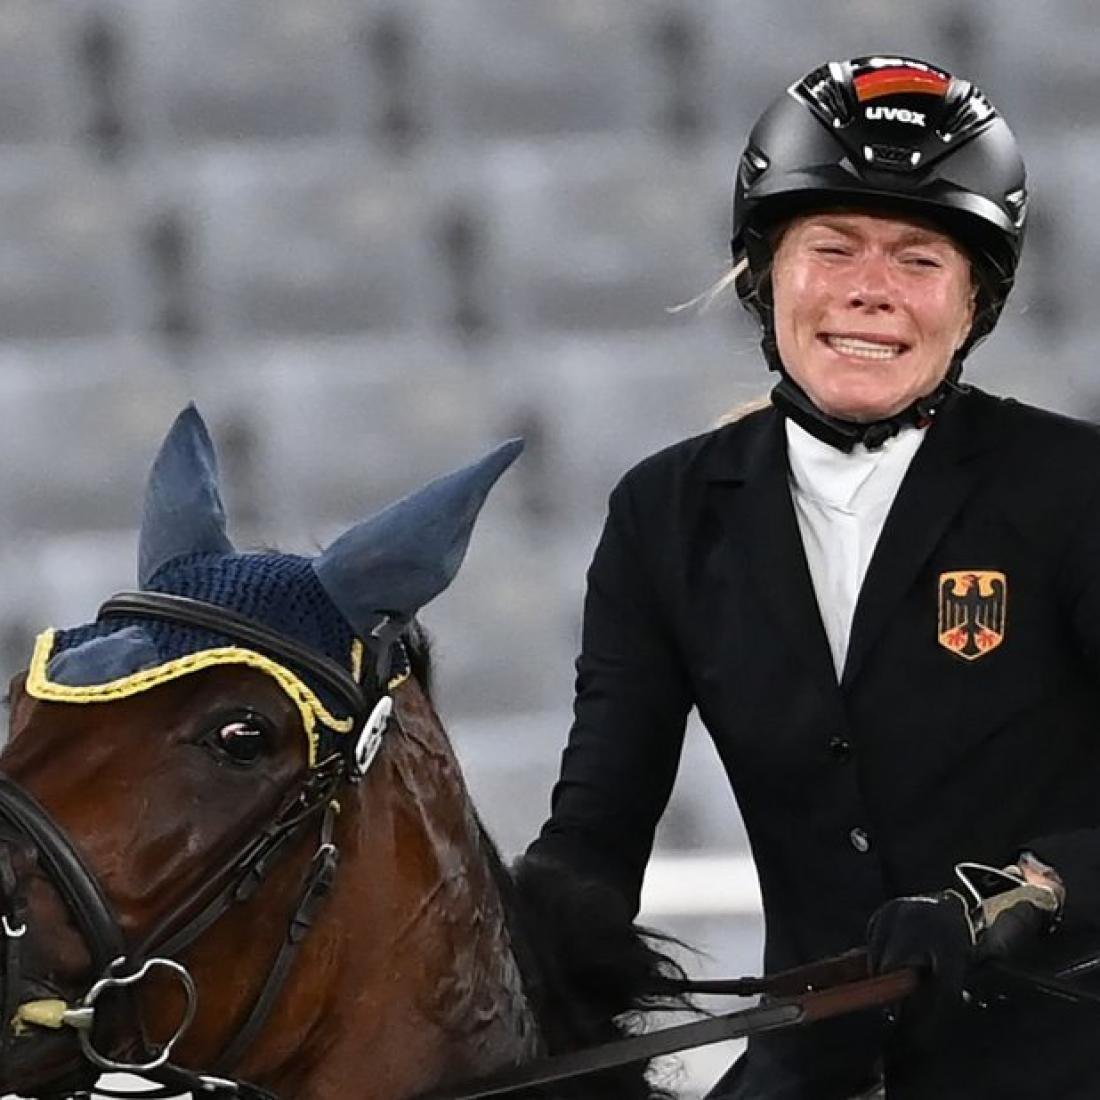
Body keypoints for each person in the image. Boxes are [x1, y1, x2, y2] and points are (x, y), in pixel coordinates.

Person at [526, 54, 1100, 1098]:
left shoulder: (1075, 489)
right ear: (764, 274)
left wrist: (1013, 897)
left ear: (973, 300)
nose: (869, 289)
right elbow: (596, 831)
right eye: (832, 247)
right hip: (813, 1060)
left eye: (918, 259)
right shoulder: (664, 512)